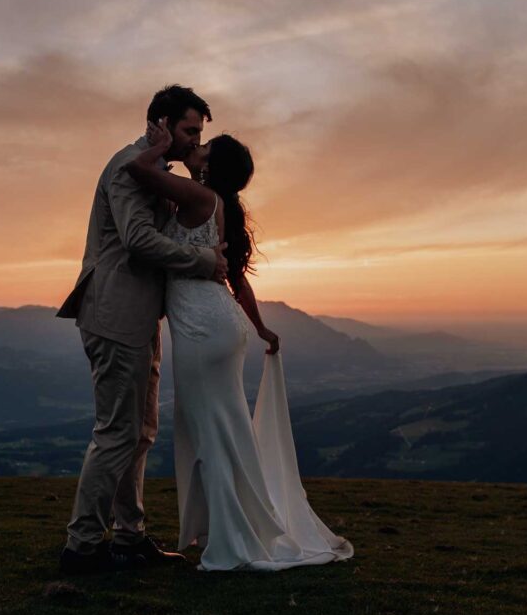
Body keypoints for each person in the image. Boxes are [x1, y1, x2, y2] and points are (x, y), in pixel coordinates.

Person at [124, 120, 354, 571]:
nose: (197, 147)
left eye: (203, 146)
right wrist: (262, 328)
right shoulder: (215, 202)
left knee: (211, 433)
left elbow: (137, 169)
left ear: (212, 166)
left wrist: (162, 145)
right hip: (217, 324)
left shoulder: (199, 197)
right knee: (222, 431)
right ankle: (226, 530)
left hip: (202, 328)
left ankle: (230, 541)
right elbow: (236, 278)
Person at [55, 85, 228, 574]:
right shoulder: (127, 168)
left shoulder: (153, 170)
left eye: (200, 132)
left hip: (138, 317)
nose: (196, 139)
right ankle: (82, 546)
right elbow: (136, 239)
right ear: (162, 124)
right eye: (190, 130)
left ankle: (130, 537)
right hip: (115, 314)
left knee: (141, 432)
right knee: (116, 432)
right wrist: (202, 261)